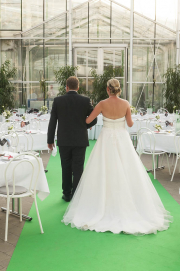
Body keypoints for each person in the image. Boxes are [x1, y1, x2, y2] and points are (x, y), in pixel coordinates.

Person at [62, 78, 172, 235]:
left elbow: (87, 120)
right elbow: (130, 124)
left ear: (108, 89)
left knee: (103, 168)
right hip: (122, 138)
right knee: (126, 168)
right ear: (118, 89)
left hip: (106, 138)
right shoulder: (126, 104)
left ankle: (101, 203)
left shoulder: (102, 104)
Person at [47, 76, 97, 202]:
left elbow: (53, 121)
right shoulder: (85, 100)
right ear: (78, 87)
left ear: (66, 87)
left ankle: (67, 194)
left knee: (66, 167)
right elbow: (94, 118)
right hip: (80, 140)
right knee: (78, 168)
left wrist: (50, 140)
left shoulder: (58, 101)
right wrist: (84, 126)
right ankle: (77, 195)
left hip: (64, 140)